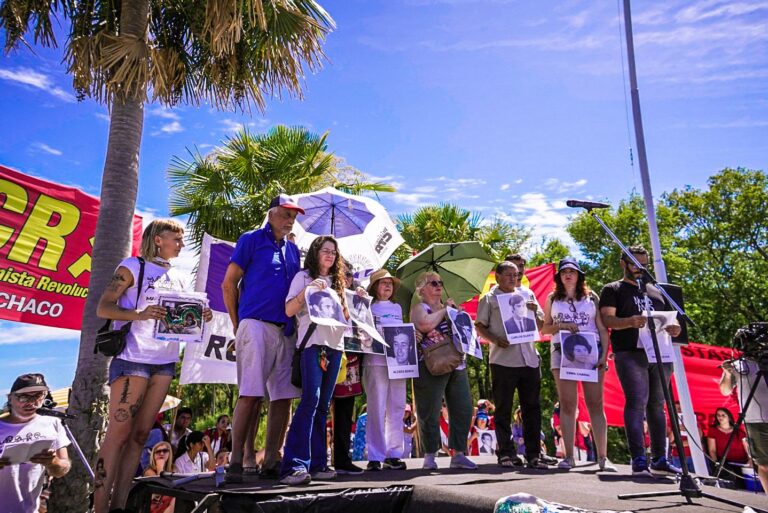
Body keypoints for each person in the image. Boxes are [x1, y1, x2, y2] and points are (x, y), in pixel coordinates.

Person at [93, 219, 212, 513]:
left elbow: (180, 321)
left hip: (165, 362)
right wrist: (140, 314)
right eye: (177, 239)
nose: (182, 244)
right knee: (118, 435)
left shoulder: (179, 277)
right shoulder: (132, 267)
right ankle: (98, 507)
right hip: (133, 359)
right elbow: (103, 307)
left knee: (140, 435)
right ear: (158, 239)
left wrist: (200, 315)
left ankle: (121, 505)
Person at [221, 194, 304, 482]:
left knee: (283, 397)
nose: (290, 220)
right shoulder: (251, 240)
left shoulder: (294, 250)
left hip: (287, 330)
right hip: (255, 324)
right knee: (251, 394)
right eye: (284, 214)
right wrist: (238, 324)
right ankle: (235, 461)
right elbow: (228, 284)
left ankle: (271, 458)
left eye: (293, 215)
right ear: (271, 214)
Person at [599, 245, 682, 477]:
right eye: (635, 264)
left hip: (661, 353)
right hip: (630, 352)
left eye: (644, 265)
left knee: (658, 405)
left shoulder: (656, 291)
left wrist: (675, 328)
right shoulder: (613, 289)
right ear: (623, 263)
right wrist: (629, 322)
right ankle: (638, 458)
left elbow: (669, 320)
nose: (640, 269)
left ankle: (660, 458)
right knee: (636, 402)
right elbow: (607, 319)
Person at [280, 235, 350, 485]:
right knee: (310, 400)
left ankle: (318, 463)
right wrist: (306, 292)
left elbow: (346, 319)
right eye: (325, 250)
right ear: (315, 253)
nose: (330, 255)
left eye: (334, 251)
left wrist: (354, 305)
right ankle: (293, 466)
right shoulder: (303, 277)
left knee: (323, 406)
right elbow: (289, 310)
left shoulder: (340, 283)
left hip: (336, 347)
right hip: (312, 345)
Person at [542, 257, 615, 472]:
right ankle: (569, 457)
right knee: (567, 404)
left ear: (579, 275)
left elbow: (602, 328)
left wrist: (604, 356)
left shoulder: (591, 298)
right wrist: (562, 325)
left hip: (591, 353)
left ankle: (603, 458)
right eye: (564, 271)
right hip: (562, 353)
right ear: (559, 276)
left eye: (572, 271)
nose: (568, 274)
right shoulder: (552, 298)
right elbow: (545, 329)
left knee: (595, 404)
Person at [475, 261, 547, 469]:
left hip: (529, 359)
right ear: (497, 277)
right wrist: (496, 340)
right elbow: (479, 326)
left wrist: (534, 312)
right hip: (503, 360)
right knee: (503, 409)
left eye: (516, 275)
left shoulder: (528, 295)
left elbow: (541, 326)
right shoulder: (489, 298)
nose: (513, 279)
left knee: (532, 408)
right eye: (508, 275)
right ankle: (505, 453)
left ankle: (534, 454)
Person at [411, 271, 477, 470]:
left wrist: (459, 315)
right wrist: (446, 311)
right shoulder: (418, 308)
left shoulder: (450, 308)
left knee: (463, 408)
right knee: (429, 409)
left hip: (457, 362)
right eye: (433, 283)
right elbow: (423, 324)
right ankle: (430, 454)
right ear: (422, 289)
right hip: (430, 363)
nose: (439, 285)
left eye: (440, 282)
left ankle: (458, 453)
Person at [0, 374, 71, 513]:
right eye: (24, 397)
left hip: (29, 508)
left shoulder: (53, 424)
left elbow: (62, 469)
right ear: (10, 398)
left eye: (38, 396)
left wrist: (53, 462)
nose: (32, 402)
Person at [365, 269, 409, 471]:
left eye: (390, 283)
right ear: (375, 287)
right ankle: (375, 454)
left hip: (399, 364)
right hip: (376, 361)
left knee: (398, 406)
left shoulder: (398, 308)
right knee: (376, 406)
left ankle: (394, 453)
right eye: (383, 283)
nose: (388, 286)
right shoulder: (367, 307)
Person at [331, 262, 365, 476]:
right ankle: (314, 460)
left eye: (350, 274)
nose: (347, 278)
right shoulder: (326, 294)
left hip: (350, 358)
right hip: (327, 353)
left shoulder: (357, 298)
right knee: (318, 409)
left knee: (345, 412)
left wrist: (361, 294)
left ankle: (343, 459)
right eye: (342, 274)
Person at [719, 357, 768, 492]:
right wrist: (728, 374)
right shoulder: (739, 364)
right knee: (764, 464)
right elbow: (725, 391)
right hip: (755, 419)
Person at [142, 441, 175, 513]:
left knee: (175, 499)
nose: (161, 453)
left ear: (169, 453)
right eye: (158, 451)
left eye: (165, 451)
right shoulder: (148, 471)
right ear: (153, 455)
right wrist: (160, 468)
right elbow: (160, 487)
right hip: (149, 506)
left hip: (166, 507)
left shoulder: (173, 469)